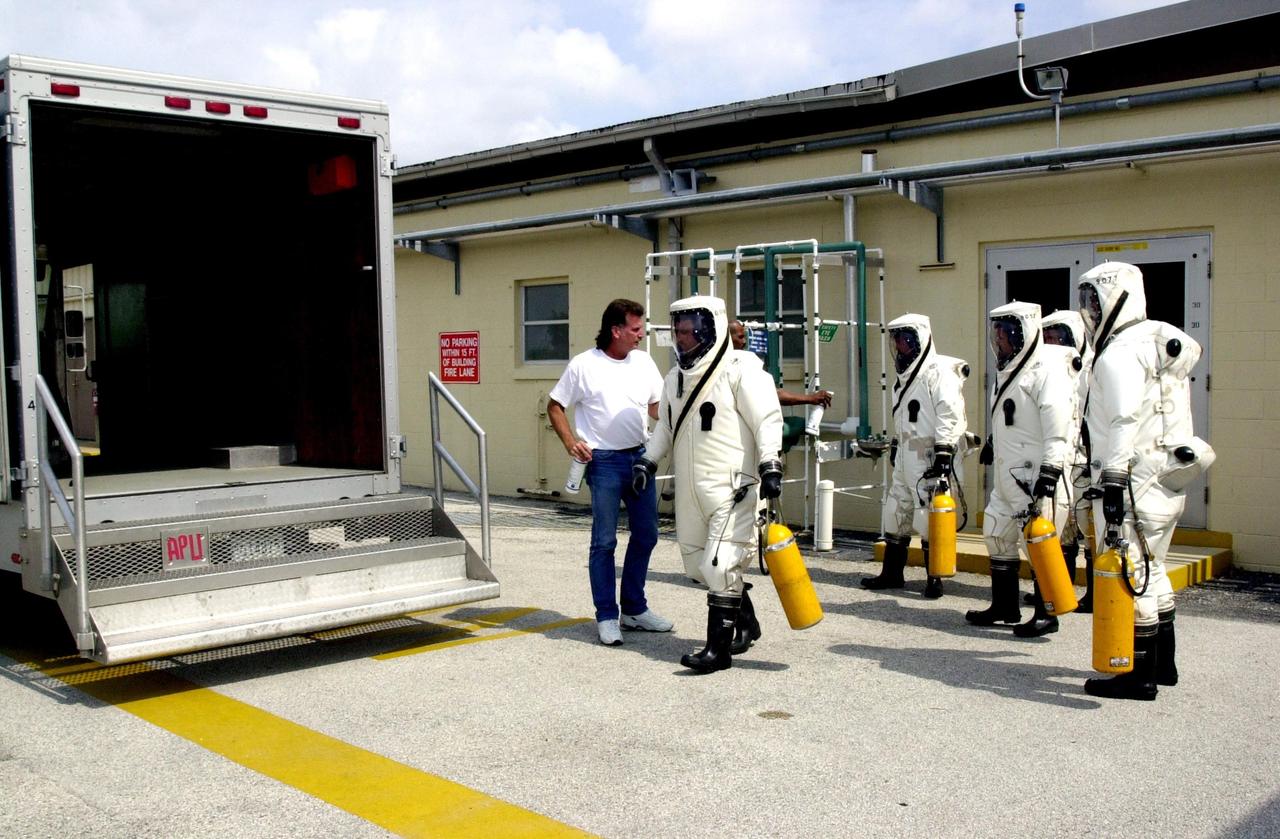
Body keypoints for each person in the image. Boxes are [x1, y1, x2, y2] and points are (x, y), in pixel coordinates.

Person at [1078, 262, 1210, 701]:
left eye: (1094, 300)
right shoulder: (1154, 346)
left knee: (1130, 570)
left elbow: (1123, 420)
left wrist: (1113, 481)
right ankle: (1164, 665)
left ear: (1116, 299)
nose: (1090, 311)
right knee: (1153, 570)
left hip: (1131, 482)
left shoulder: (1120, 353)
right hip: (1165, 479)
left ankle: (1137, 675)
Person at [634, 296, 783, 673]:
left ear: (709, 330)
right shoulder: (675, 379)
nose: (682, 338)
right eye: (678, 331)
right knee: (699, 566)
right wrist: (647, 462)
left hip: (733, 486)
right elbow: (666, 428)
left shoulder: (741, 370)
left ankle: (718, 652)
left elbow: (767, 418)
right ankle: (746, 622)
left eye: (689, 331)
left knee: (720, 565)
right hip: (691, 490)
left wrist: (770, 464)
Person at [548, 298, 672, 647]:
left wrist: (679, 419)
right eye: (635, 329)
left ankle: (634, 610)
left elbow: (655, 407)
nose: (640, 334)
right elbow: (555, 406)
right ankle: (606, 615)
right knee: (604, 542)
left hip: (640, 458)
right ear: (616, 330)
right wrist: (570, 442)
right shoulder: (583, 365)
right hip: (603, 462)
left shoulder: (643, 361)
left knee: (646, 535)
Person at [966, 302, 1077, 635]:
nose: (999, 339)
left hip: (1036, 477)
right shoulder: (1008, 371)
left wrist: (1050, 472)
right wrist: (993, 441)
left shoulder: (1047, 371)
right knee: (996, 533)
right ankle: (1005, 606)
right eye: (996, 333)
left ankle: (1047, 613)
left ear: (1021, 334)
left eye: (1004, 333)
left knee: (1038, 544)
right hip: (1008, 475)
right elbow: (1011, 418)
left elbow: (1058, 430)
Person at [864, 313, 970, 598]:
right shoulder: (904, 378)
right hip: (906, 454)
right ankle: (891, 573)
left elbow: (949, 414)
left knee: (928, 516)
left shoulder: (938, 372)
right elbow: (905, 417)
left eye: (904, 339)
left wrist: (944, 451)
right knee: (896, 511)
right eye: (896, 340)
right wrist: (897, 443)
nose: (899, 345)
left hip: (930, 455)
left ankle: (935, 577)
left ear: (919, 340)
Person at [1041, 309, 1095, 613]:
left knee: (1089, 526)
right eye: (1047, 338)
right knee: (1062, 526)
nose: (1053, 343)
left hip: (1086, 459)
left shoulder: (1092, 369)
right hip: (1061, 458)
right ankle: (1061, 589)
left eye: (1058, 337)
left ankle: (1095, 593)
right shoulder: (1046, 371)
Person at [728, 320, 833, 408]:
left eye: (744, 337)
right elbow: (772, 395)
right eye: (740, 337)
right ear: (727, 338)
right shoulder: (742, 361)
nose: (744, 341)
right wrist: (811, 398)